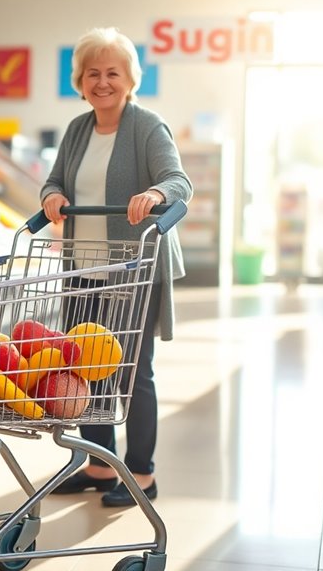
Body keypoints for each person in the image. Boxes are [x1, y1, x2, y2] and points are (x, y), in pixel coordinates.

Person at [42, 27, 192, 507]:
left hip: (132, 271)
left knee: (132, 371)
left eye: (113, 73)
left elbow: (178, 181)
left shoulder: (147, 126)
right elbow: (53, 181)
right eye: (92, 73)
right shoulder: (77, 130)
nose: (102, 81)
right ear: (80, 81)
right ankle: (101, 464)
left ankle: (143, 473)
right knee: (86, 369)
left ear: (130, 79)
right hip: (81, 270)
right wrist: (53, 198)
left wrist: (155, 194)